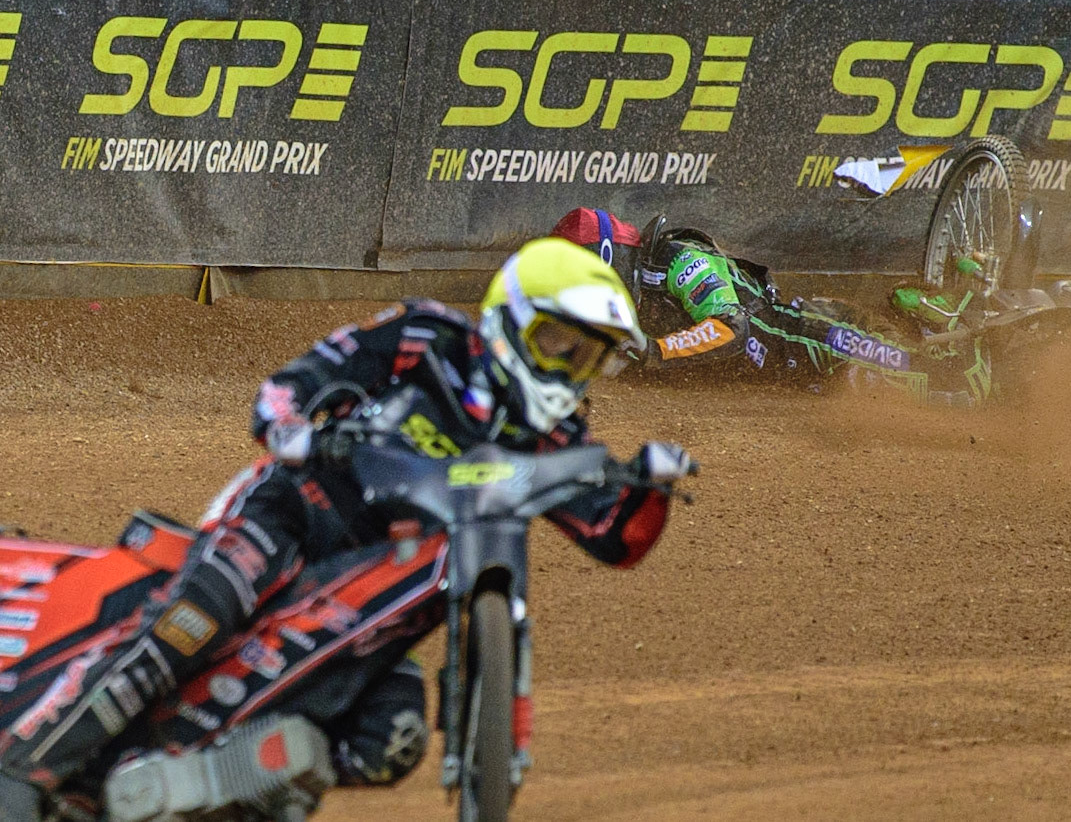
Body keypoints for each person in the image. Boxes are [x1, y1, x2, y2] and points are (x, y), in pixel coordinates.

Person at [0, 238, 693, 819]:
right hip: (293, 512)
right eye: (558, 344)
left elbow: (612, 535)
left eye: (585, 357)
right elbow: (297, 381)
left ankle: (206, 788)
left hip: (379, 588)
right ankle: (25, 770)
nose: (566, 368)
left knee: (389, 739)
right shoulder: (427, 338)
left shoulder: (549, 435)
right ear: (511, 317)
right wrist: (291, 427)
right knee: (197, 615)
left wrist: (651, 486)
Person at [550, 207, 992, 405]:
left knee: (950, 389)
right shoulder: (630, 310)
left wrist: (656, 351)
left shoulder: (683, 260)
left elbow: (730, 328)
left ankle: (974, 311)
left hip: (819, 340)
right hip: (801, 374)